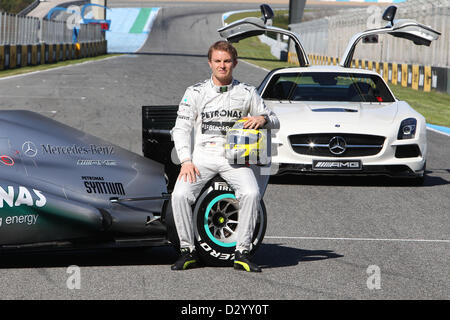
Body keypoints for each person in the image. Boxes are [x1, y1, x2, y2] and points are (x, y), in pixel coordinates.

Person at [170, 40, 279, 272]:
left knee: (251, 193)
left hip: (235, 159)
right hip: (202, 156)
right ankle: (187, 251)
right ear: (210, 63)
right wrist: (185, 160)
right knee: (179, 195)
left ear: (235, 63)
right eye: (218, 61)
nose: (222, 66)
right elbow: (180, 128)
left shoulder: (248, 92)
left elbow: (275, 119)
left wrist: (262, 119)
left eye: (227, 61)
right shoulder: (196, 91)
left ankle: (243, 252)